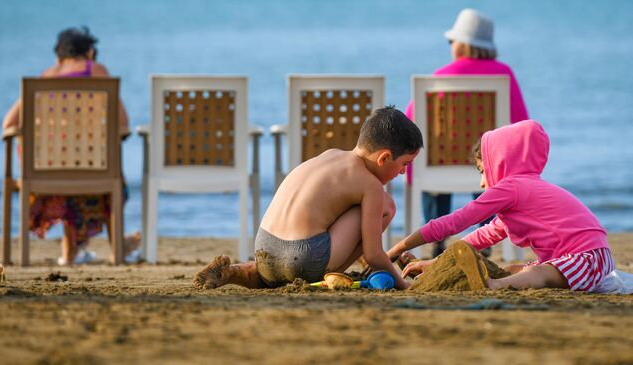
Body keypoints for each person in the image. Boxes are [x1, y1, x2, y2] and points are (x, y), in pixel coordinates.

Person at [194, 106, 424, 290]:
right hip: (304, 258)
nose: (403, 172)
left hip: (264, 247)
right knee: (387, 206)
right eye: (404, 164)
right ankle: (331, 272)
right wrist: (403, 284)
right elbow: (373, 254)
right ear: (384, 158)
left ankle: (236, 272)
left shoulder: (330, 155)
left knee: (277, 273)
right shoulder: (370, 185)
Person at [389, 120, 615, 292]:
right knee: (513, 270)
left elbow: (456, 221)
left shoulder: (511, 187)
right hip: (578, 257)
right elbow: (481, 237)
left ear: (500, 163)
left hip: (588, 257)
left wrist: (397, 248)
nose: (481, 183)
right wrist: (438, 261)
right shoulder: (521, 191)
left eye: (482, 171)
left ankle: (491, 285)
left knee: (537, 273)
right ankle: (464, 276)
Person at [1, 26, 140, 265]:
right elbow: (124, 123)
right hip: (96, 167)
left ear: (59, 56)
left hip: (45, 169)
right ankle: (114, 246)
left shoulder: (44, 77)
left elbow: (9, 124)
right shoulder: (96, 71)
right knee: (109, 175)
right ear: (90, 53)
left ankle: (71, 250)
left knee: (66, 166)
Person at [405, 8, 529, 258]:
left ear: (461, 45)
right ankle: (486, 232)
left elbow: (411, 119)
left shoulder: (440, 78)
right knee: (486, 161)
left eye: (452, 40)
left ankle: (436, 235)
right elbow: (520, 121)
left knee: (431, 163)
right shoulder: (504, 75)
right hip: (488, 167)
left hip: (439, 166)